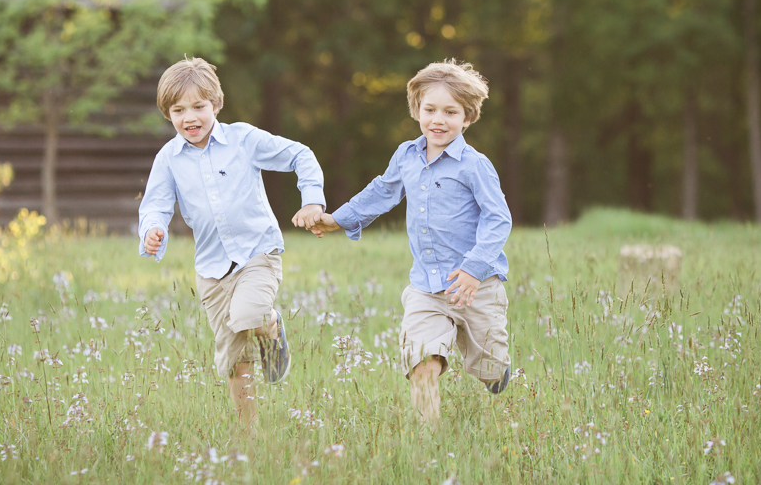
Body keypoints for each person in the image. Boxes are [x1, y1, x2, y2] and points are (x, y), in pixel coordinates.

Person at [309, 59, 512, 423]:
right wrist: (337, 219)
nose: (438, 119)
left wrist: (474, 269)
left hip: (476, 287)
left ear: (467, 118)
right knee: (422, 361)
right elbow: (381, 192)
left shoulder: (474, 164)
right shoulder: (406, 155)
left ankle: (495, 373)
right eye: (429, 109)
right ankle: (429, 444)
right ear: (416, 110)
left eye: (450, 112)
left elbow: (498, 219)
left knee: (489, 367)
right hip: (426, 287)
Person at [138, 57, 325, 429]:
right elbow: (155, 204)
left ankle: (271, 325)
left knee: (249, 316)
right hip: (211, 269)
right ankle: (248, 432)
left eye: (198, 107)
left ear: (216, 105)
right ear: (168, 113)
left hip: (258, 253)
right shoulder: (169, 159)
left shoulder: (243, 139)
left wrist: (312, 200)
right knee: (233, 359)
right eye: (179, 110)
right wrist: (152, 230)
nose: (189, 117)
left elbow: (299, 155)